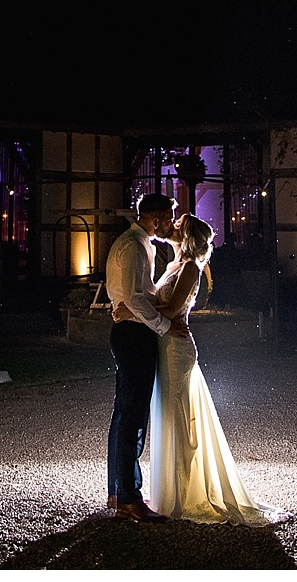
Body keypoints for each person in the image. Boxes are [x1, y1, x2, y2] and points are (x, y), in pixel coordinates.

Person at [141, 214, 287, 526]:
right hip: (165, 344)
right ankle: (171, 490)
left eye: (178, 225)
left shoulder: (191, 268)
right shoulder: (173, 266)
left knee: (178, 417)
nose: (172, 226)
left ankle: (183, 494)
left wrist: (132, 306)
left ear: (188, 237)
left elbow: (170, 308)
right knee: (170, 415)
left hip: (176, 348)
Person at [102, 193, 183, 522]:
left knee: (124, 414)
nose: (170, 224)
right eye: (167, 218)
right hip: (134, 336)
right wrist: (165, 325)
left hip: (129, 331)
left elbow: (136, 292)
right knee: (133, 417)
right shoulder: (135, 246)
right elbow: (136, 297)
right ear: (154, 219)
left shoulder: (134, 243)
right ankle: (129, 499)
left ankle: (118, 492)